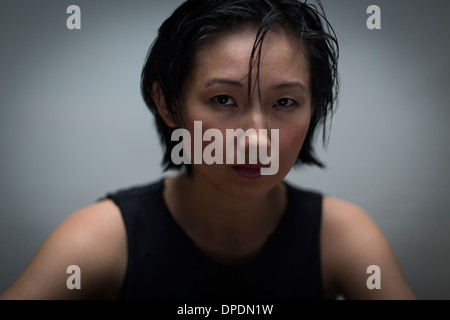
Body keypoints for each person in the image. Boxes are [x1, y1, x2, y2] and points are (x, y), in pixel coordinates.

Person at [0, 0, 415, 300]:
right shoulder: (102, 237)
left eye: (284, 103)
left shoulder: (341, 235)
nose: (256, 139)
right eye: (223, 100)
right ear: (168, 104)